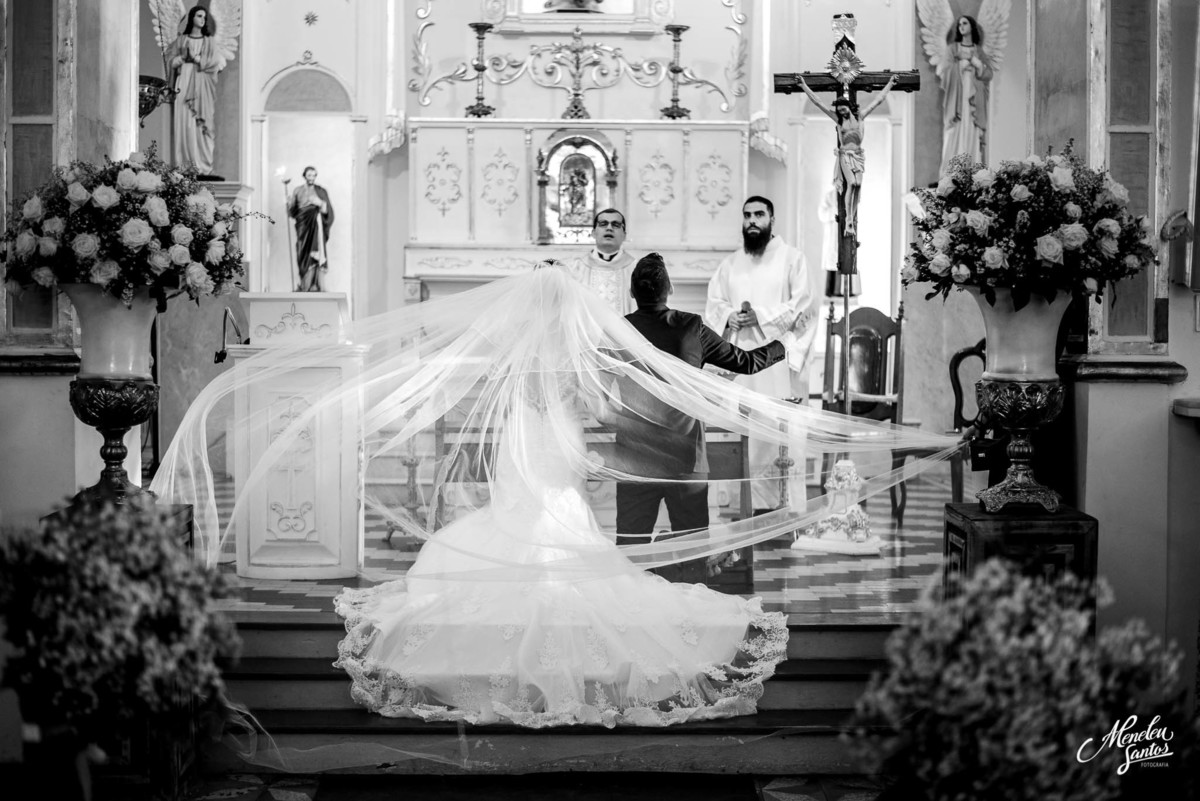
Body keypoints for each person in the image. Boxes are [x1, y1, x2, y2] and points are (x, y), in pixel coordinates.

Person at [151, 263, 960, 733]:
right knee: (573, 539)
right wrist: (594, 444)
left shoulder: (519, 350)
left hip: (523, 447)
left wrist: (578, 436)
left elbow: (527, 401)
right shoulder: (590, 345)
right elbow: (587, 401)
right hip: (564, 446)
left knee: (516, 522)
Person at [618, 253, 786, 584]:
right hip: (685, 459)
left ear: (632, 292)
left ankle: (630, 610)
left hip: (634, 458)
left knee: (630, 555)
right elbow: (746, 362)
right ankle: (691, 605)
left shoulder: (619, 330)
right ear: (669, 289)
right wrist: (782, 346)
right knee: (693, 553)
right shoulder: (691, 327)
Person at [704, 196, 823, 514]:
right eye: (747, 215)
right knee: (742, 432)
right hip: (739, 365)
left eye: (759, 214)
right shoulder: (730, 264)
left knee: (776, 434)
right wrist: (729, 316)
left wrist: (761, 316)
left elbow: (805, 308)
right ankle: (742, 506)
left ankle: (784, 507)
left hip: (777, 366)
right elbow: (714, 304)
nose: (752, 221)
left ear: (772, 219)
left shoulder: (793, 259)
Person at [797, 76, 897, 237]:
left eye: (843, 109)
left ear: (849, 107)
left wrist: (890, 84)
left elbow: (878, 100)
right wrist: (803, 86)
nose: (842, 112)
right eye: (839, 110)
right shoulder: (838, 120)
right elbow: (818, 102)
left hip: (858, 155)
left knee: (858, 185)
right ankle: (848, 220)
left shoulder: (860, 117)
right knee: (852, 183)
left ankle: (852, 218)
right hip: (844, 155)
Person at [165, 5, 231, 177]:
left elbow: (215, 63)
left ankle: (203, 165)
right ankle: (184, 165)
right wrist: (181, 58)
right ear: (192, 18)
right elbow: (171, 61)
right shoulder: (181, 40)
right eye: (199, 16)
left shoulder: (209, 41)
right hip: (184, 81)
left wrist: (195, 58)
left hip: (202, 85)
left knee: (202, 125)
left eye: (204, 17)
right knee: (184, 122)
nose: (202, 19)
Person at [940, 15, 993, 175]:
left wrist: (978, 64)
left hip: (974, 98)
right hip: (957, 96)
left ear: (972, 27)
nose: (961, 26)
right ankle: (952, 172)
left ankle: (972, 170)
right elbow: (945, 72)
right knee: (955, 130)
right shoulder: (952, 49)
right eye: (959, 24)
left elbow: (988, 74)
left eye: (965, 23)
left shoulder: (979, 51)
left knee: (971, 129)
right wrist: (960, 66)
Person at [566, 208, 637, 315]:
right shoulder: (575, 268)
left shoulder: (636, 269)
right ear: (593, 233)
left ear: (624, 235)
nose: (609, 228)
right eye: (603, 224)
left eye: (616, 225)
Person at [288, 166, 335, 292]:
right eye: (309, 175)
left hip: (316, 226)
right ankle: (304, 284)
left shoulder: (321, 191)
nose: (312, 178)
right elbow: (293, 212)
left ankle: (316, 284)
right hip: (303, 226)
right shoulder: (298, 191)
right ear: (304, 176)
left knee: (316, 251)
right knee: (302, 252)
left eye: (314, 175)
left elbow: (328, 212)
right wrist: (289, 203)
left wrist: (320, 203)